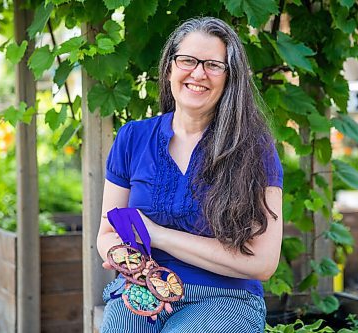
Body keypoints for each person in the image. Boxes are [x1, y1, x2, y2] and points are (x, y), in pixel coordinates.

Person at [97, 16, 283, 333]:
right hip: (143, 289)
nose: (198, 73)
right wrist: (145, 275)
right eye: (187, 60)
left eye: (213, 65)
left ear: (229, 77)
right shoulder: (132, 138)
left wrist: (156, 235)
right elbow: (107, 234)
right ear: (170, 66)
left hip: (225, 298)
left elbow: (263, 262)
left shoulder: (254, 148)